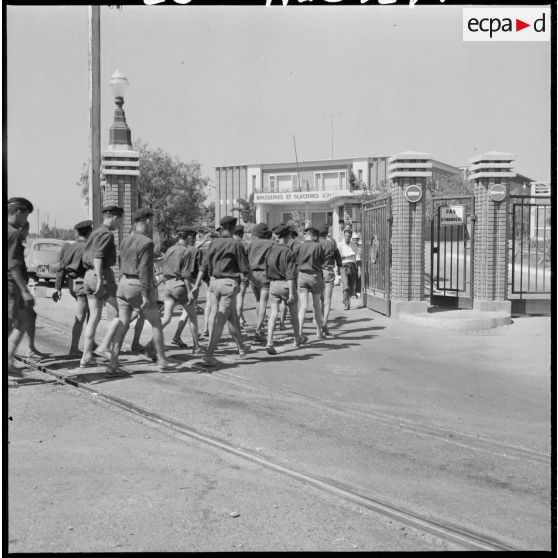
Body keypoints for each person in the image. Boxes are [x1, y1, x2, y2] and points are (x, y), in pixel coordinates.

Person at [107, 208, 174, 374]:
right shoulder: (147, 242)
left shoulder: (125, 240)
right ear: (148, 220)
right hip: (137, 285)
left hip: (123, 284)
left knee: (123, 324)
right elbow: (145, 270)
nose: (152, 225)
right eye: (152, 221)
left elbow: (120, 262)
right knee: (156, 323)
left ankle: (112, 364)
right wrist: (145, 294)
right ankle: (161, 361)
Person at [191, 215, 251, 367]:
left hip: (214, 283)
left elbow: (203, 266)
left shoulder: (213, 243)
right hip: (228, 285)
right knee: (221, 319)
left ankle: (241, 348)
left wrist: (196, 285)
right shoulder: (235, 244)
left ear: (222, 227)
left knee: (232, 318)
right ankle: (209, 354)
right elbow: (245, 268)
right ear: (233, 228)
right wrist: (248, 281)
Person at [79, 205, 123, 368]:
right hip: (101, 275)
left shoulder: (95, 232)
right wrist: (99, 279)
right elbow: (98, 257)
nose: (120, 224)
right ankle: (105, 346)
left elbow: (86, 254)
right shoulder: (106, 234)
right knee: (121, 312)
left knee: (94, 317)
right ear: (114, 217)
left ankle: (86, 356)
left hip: (88, 275)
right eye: (120, 221)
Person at [150, 226, 201, 355]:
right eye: (191, 237)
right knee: (193, 318)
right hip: (180, 286)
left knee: (166, 318)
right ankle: (196, 347)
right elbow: (186, 275)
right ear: (188, 237)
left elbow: (164, 270)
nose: (192, 240)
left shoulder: (170, 249)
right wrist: (190, 292)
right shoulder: (186, 251)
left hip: (168, 285)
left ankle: (151, 343)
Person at [264, 224, 307, 355]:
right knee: (294, 315)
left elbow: (266, 269)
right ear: (288, 236)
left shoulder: (270, 250)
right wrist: (292, 293)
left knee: (273, 313)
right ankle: (297, 338)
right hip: (286, 285)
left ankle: (269, 342)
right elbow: (290, 274)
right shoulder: (288, 252)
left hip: (273, 284)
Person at [53, 219, 94, 358]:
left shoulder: (69, 247)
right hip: (83, 283)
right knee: (82, 317)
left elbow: (61, 268)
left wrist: (58, 288)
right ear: (90, 232)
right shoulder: (87, 248)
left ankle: (91, 343)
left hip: (72, 283)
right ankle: (74, 349)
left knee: (89, 313)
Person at [7, 197, 35, 385]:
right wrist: (24, 291)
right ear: (19, 212)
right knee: (13, 324)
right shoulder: (14, 233)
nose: (25, 221)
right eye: (26, 216)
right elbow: (13, 265)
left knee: (23, 320)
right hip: (10, 286)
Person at [17, 221, 49, 360]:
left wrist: (29, 274)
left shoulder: (16, 245)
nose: (28, 233)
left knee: (28, 316)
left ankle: (29, 349)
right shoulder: (14, 244)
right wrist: (24, 290)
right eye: (26, 230)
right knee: (25, 317)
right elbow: (13, 268)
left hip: (17, 288)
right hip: (15, 289)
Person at [293, 225, 326, 339]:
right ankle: (318, 331)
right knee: (316, 304)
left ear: (307, 235)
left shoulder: (298, 246)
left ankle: (299, 331)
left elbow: (294, 261)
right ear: (315, 236)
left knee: (303, 306)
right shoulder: (318, 246)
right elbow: (322, 261)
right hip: (315, 276)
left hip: (302, 276)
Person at [247, 222, 273, 343]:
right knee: (263, 302)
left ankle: (260, 326)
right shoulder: (271, 243)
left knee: (258, 301)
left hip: (252, 274)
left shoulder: (251, 243)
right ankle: (258, 330)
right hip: (264, 274)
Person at [318, 224, 342, 336]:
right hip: (329, 272)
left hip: (318, 272)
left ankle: (319, 324)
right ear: (327, 233)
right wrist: (339, 268)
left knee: (319, 300)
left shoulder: (316, 244)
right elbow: (338, 257)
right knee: (327, 301)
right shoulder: (331, 243)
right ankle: (324, 323)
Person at [338, 226, 359, 310]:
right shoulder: (340, 245)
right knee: (345, 285)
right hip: (344, 266)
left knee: (351, 285)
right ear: (344, 236)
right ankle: (346, 303)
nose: (347, 238)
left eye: (349, 236)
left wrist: (356, 262)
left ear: (351, 237)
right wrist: (348, 255)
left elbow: (356, 256)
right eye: (346, 236)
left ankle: (348, 300)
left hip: (352, 265)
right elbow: (338, 257)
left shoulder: (354, 245)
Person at [233, 224, 250, 328]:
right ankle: (237, 322)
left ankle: (241, 319)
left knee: (235, 298)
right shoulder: (244, 244)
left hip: (232, 274)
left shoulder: (231, 243)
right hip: (243, 273)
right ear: (241, 234)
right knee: (240, 298)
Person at [352, 231, 362, 297]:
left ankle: (358, 291)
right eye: (354, 239)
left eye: (356, 239)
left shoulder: (360, 246)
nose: (355, 241)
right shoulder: (351, 246)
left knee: (359, 277)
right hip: (353, 263)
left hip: (359, 263)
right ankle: (353, 292)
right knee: (353, 278)